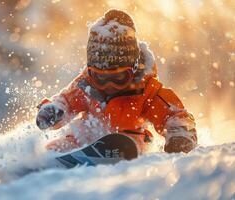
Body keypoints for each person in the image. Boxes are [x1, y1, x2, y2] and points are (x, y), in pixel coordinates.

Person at [36, 9, 197, 155]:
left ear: (133, 69)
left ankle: (117, 149)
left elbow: (173, 114)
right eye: (101, 78)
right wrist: (53, 110)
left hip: (129, 142)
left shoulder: (147, 90)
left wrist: (180, 135)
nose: (109, 86)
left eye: (118, 78)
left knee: (127, 141)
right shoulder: (86, 85)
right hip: (83, 140)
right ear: (91, 71)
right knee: (57, 148)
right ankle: (46, 160)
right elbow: (66, 101)